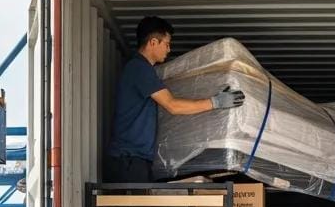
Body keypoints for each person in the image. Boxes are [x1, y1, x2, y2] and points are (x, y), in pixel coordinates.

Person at [105, 16, 245, 182]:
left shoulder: (143, 70)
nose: (169, 49)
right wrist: (216, 102)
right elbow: (172, 105)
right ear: (153, 42)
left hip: (134, 159)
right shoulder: (139, 68)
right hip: (128, 159)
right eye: (166, 44)